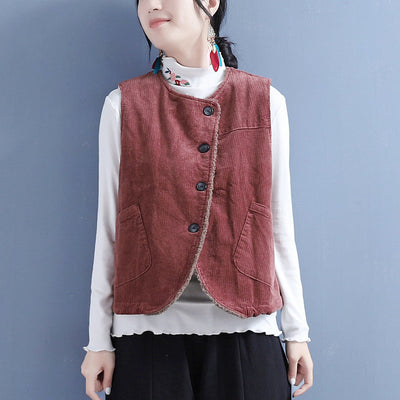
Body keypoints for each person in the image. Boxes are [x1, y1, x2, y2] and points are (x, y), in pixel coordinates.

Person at [80, 0, 314, 399]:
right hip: (146, 333)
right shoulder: (123, 105)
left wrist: (297, 330)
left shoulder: (265, 101)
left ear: (210, 2)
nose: (150, 5)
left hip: (247, 326)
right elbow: (110, 230)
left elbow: (277, 224)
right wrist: (98, 340)